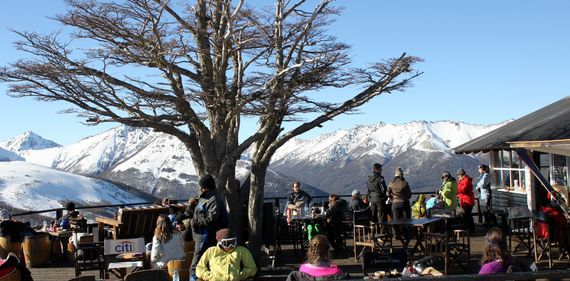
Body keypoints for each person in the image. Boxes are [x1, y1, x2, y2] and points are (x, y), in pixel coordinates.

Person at [190, 175, 225, 280]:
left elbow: (211, 219)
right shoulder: (205, 196)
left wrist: (196, 222)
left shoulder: (213, 199)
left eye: (201, 187)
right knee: (205, 263)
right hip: (200, 234)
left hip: (205, 235)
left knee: (196, 264)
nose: (200, 189)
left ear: (206, 187)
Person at [456, 168, 475, 232]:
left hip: (467, 200)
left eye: (458, 175)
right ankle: (469, 228)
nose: (458, 177)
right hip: (465, 200)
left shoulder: (466, 180)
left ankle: (471, 229)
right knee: (466, 215)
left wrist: (456, 190)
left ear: (461, 175)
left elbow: (463, 189)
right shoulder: (464, 180)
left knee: (467, 215)